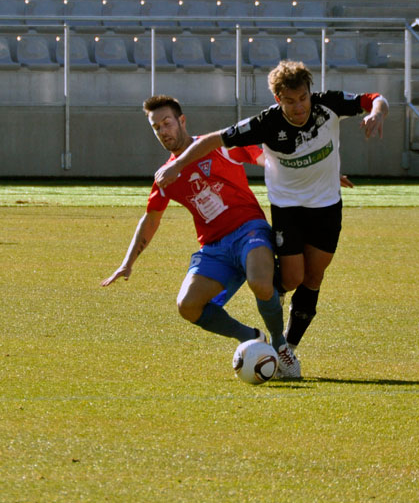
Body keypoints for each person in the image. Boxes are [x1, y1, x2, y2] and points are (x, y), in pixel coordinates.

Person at [154, 61, 389, 368]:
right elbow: (213, 139)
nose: (299, 106)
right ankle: (259, 273)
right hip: (288, 207)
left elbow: (374, 98)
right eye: (289, 101)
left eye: (303, 98)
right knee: (291, 277)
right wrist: (177, 165)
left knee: (313, 277)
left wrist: (376, 113)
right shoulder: (266, 122)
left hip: (327, 206)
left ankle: (286, 348)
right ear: (278, 99)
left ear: (309, 92)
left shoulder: (328, 104)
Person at [101, 94, 301, 379]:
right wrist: (128, 261)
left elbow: (265, 158)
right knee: (187, 306)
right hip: (214, 248)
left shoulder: (217, 145)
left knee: (260, 282)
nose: (163, 131)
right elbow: (151, 218)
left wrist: (315, 174)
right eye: (156, 128)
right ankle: (253, 337)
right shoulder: (166, 176)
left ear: (182, 120)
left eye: (167, 123)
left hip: (250, 229)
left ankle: (281, 346)